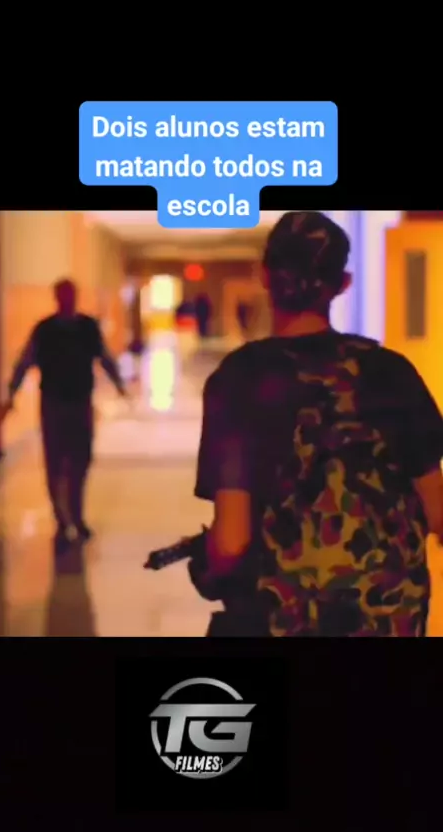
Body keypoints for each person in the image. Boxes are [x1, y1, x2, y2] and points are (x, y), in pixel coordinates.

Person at [189, 211, 443, 637]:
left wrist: (207, 563)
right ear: (342, 284)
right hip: (386, 618)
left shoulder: (239, 378)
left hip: (283, 621)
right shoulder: (390, 372)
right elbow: (437, 510)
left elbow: (232, 541)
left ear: (265, 276)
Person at [4, 279, 127, 548]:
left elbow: (104, 357)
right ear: (57, 297)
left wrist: (119, 383)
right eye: (64, 295)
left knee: (81, 461)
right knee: (56, 462)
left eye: (71, 294)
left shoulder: (87, 327)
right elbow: (25, 360)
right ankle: (62, 520)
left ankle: (77, 516)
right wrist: (12, 392)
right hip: (54, 404)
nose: (67, 299)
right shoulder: (45, 330)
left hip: (81, 402)